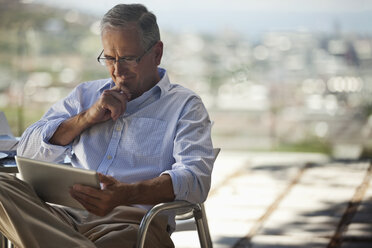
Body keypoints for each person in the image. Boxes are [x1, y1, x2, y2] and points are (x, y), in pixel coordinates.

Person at [0, 3, 214, 248]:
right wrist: (85, 118)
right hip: (62, 218)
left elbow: (195, 180)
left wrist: (127, 194)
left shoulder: (185, 106)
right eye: (109, 58)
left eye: (128, 58)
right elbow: (26, 150)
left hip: (134, 225)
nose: (117, 70)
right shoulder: (85, 96)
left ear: (156, 53)